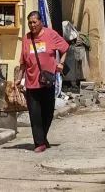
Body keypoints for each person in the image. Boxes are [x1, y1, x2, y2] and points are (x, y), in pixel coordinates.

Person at [19, 11, 70, 153]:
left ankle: (43, 138)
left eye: (34, 22)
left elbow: (65, 47)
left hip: (47, 81)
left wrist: (61, 63)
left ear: (41, 22)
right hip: (31, 82)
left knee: (48, 113)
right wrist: (18, 78)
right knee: (34, 114)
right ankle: (39, 143)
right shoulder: (26, 39)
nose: (32, 25)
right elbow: (23, 62)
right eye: (30, 23)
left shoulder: (50, 34)